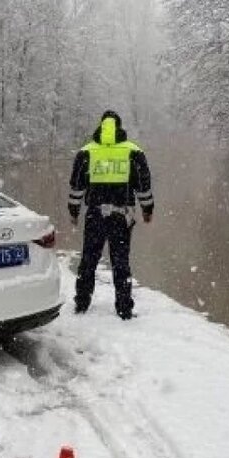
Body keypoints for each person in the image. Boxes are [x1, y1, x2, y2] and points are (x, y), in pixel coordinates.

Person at [68, 110, 154, 320]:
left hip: (94, 215)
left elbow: (77, 187)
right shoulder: (133, 152)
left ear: (101, 126)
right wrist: (147, 209)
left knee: (89, 259)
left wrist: (74, 210)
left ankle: (81, 303)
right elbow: (143, 186)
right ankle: (124, 308)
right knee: (120, 261)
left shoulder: (86, 152)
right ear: (119, 127)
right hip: (121, 216)